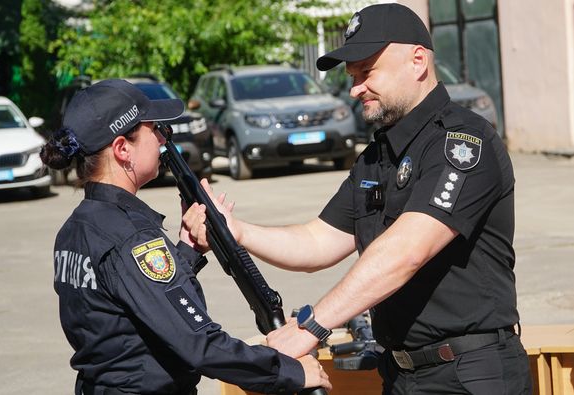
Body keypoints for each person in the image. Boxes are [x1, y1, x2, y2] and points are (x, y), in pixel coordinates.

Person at [184, 4, 532, 394]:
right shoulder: (379, 156)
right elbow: (318, 241)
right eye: (352, 76)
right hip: (401, 374)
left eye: (367, 72)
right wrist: (237, 232)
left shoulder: (463, 142)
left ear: (417, 61)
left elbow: (406, 252)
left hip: (471, 374)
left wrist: (311, 326)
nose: (355, 88)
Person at [40, 79, 331, 395]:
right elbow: (200, 344)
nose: (163, 139)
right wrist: (291, 371)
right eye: (155, 130)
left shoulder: (75, 228)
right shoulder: (133, 237)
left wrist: (187, 250)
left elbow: (133, 306)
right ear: (123, 149)